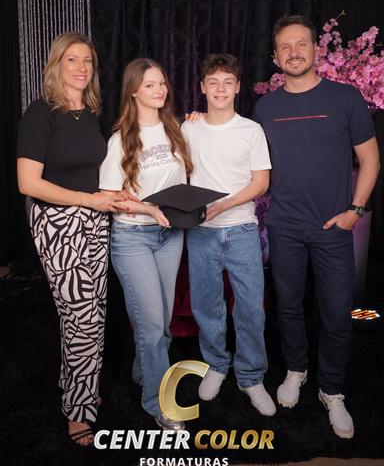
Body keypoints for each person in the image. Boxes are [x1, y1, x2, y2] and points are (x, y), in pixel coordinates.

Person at [252, 15, 380, 439]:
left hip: (333, 228)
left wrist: (355, 211)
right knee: (288, 307)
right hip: (284, 227)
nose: (294, 52)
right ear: (275, 57)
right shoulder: (265, 108)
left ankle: (332, 389)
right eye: (285, 46)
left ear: (316, 49)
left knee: (337, 313)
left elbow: (371, 159)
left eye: (301, 44)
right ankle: (296, 370)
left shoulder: (345, 98)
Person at [17, 32, 133, 446]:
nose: (82, 67)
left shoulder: (90, 114)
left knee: (93, 314)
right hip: (57, 224)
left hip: (95, 220)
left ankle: (80, 388)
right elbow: (28, 183)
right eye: (72, 59)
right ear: (56, 65)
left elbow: (91, 173)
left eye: (87, 60)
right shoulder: (41, 113)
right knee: (80, 318)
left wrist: (111, 196)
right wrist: (87, 200)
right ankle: (78, 410)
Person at [99, 58, 193, 430]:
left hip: (170, 235)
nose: (159, 90)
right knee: (152, 326)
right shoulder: (121, 139)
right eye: (150, 85)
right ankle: (158, 402)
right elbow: (109, 196)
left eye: (162, 83)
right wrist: (149, 209)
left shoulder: (176, 130)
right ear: (134, 91)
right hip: (132, 238)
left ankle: (143, 372)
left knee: (162, 322)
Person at [182, 54, 276, 416]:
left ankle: (251, 376)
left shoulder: (251, 131)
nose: (220, 89)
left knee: (250, 307)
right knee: (207, 306)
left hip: (242, 229)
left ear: (237, 87)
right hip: (201, 233)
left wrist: (223, 205)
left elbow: (260, 182)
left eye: (227, 82)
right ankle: (217, 365)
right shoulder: (188, 129)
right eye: (213, 82)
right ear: (202, 87)